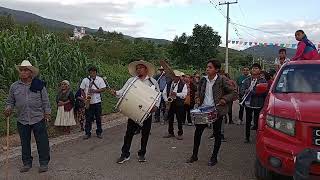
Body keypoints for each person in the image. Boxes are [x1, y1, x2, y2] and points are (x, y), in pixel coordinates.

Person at [186, 59, 235, 166]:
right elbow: (199, 90)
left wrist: (224, 99)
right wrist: (198, 97)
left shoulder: (222, 80)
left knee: (217, 134)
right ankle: (194, 155)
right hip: (203, 111)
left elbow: (233, 92)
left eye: (210, 67)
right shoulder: (203, 80)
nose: (207, 69)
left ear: (216, 70)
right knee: (197, 133)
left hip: (216, 111)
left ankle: (214, 157)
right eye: (207, 67)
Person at [4, 60, 51, 173]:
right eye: (21, 70)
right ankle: (27, 163)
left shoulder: (38, 85)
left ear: (31, 73)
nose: (23, 72)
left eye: (25, 70)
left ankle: (44, 163)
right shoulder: (14, 87)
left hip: (38, 118)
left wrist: (47, 113)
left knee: (42, 142)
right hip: (22, 119)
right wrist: (8, 108)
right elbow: (10, 101)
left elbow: (45, 101)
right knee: (25, 143)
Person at [110, 60, 160, 164]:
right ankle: (125, 154)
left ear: (146, 69)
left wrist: (155, 107)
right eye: (137, 68)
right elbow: (123, 92)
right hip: (134, 111)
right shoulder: (131, 80)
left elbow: (157, 96)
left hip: (147, 113)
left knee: (145, 134)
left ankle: (142, 154)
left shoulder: (152, 82)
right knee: (129, 133)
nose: (138, 70)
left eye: (141, 68)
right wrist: (115, 93)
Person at [240, 63, 267, 143]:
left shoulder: (263, 81)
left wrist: (253, 92)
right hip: (248, 104)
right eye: (253, 68)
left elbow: (264, 93)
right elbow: (241, 90)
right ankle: (247, 137)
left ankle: (258, 137)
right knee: (248, 121)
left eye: (256, 68)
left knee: (258, 122)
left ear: (260, 70)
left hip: (258, 104)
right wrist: (245, 91)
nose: (254, 69)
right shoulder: (247, 80)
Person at [80, 66, 107, 139]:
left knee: (98, 118)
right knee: (88, 118)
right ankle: (87, 133)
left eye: (94, 72)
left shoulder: (100, 79)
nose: (92, 73)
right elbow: (81, 89)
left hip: (97, 101)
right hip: (88, 101)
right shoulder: (85, 80)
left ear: (96, 72)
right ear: (89, 72)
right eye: (91, 72)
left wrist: (94, 91)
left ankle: (99, 132)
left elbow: (104, 88)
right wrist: (85, 98)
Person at [163, 70, 188, 140]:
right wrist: (166, 100)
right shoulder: (169, 83)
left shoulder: (183, 84)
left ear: (179, 77)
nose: (174, 78)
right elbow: (164, 93)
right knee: (170, 119)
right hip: (171, 103)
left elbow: (184, 94)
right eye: (173, 76)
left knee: (179, 119)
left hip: (179, 104)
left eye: (176, 77)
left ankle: (180, 133)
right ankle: (170, 132)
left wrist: (176, 94)